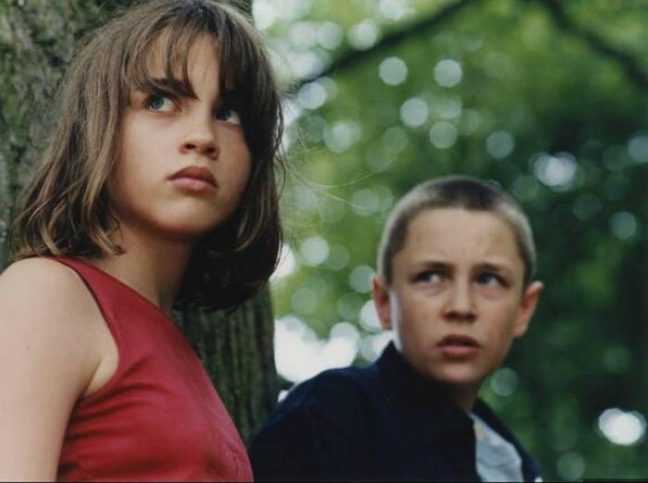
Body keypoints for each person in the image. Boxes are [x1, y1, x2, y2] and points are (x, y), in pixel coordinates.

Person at [0, 0, 283, 479]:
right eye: (160, 100)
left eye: (228, 111)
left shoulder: (177, 352)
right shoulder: (46, 294)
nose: (202, 135)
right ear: (99, 129)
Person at [249, 176, 545, 481]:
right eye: (430, 276)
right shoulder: (330, 416)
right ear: (384, 302)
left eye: (488, 279)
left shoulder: (509, 463)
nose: (461, 306)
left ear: (524, 308)